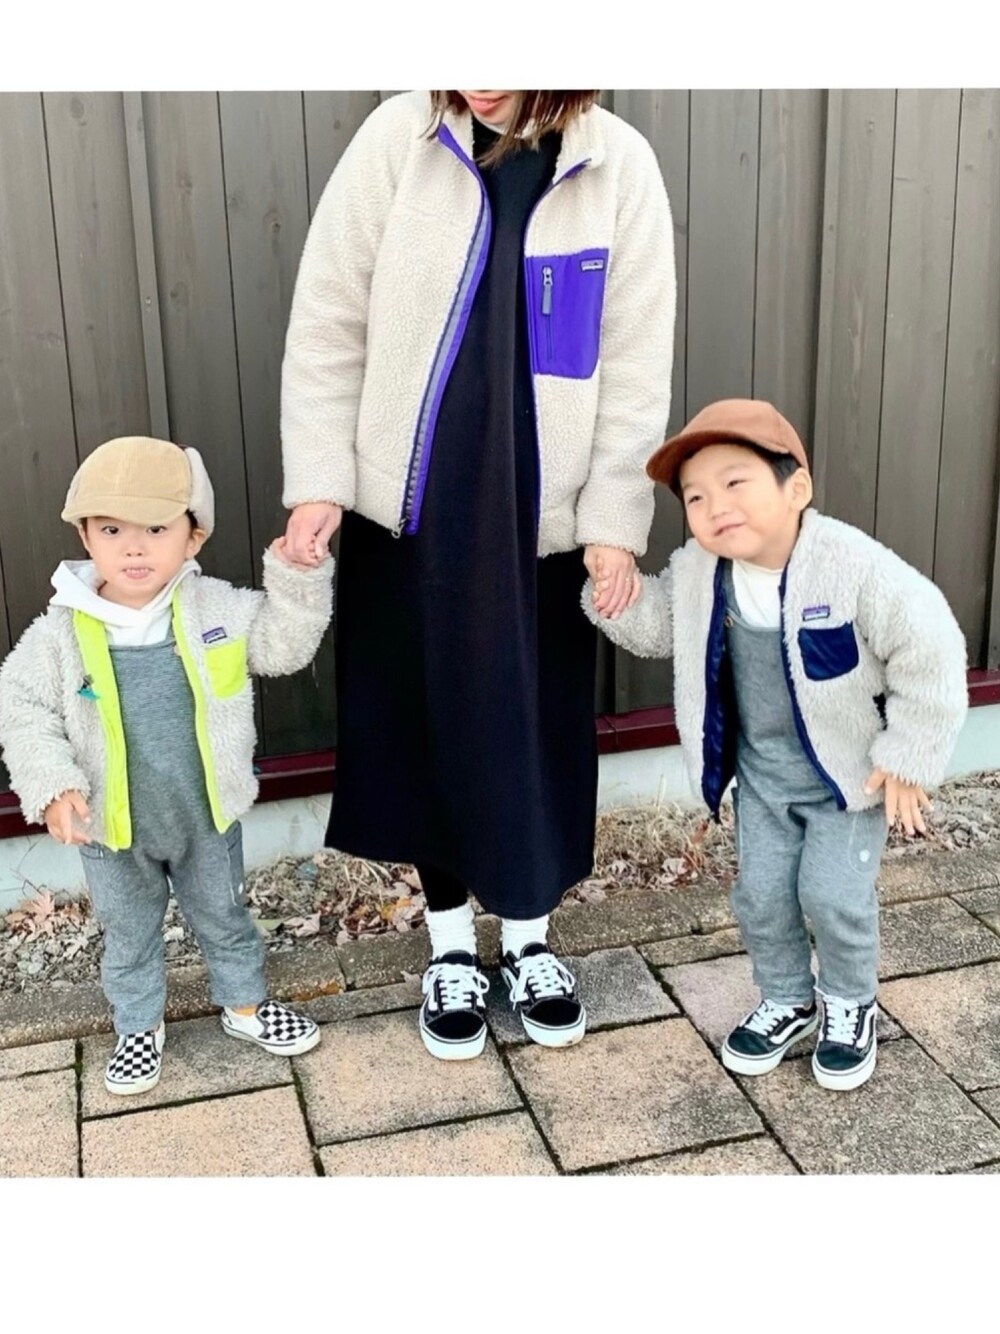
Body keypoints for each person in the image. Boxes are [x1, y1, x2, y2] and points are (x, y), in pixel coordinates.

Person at [280, 90, 676, 1058]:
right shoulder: (400, 138)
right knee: (427, 723)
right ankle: (452, 948)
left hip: (543, 518)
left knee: (528, 725)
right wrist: (321, 480)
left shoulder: (616, 165)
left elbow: (634, 364)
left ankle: (531, 942)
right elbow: (329, 320)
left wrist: (613, 520)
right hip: (412, 508)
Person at [586, 399, 968, 1090]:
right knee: (761, 895)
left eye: (735, 482)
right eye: (696, 497)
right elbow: (660, 627)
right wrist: (614, 592)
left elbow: (931, 646)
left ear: (797, 489)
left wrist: (908, 757)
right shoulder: (701, 572)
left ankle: (850, 1002)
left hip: (846, 784)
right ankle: (788, 996)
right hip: (762, 781)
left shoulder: (852, 567)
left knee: (832, 895)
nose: (715, 507)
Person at [0, 437, 334, 1095]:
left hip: (204, 815)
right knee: (127, 931)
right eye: (111, 530)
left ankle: (244, 1006)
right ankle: (137, 1027)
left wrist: (298, 576)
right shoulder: (62, 631)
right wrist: (53, 785)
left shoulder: (217, 611)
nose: (133, 548)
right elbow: (21, 706)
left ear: (193, 537)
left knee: (224, 915)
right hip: (112, 828)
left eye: (155, 529)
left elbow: (284, 647)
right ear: (85, 537)